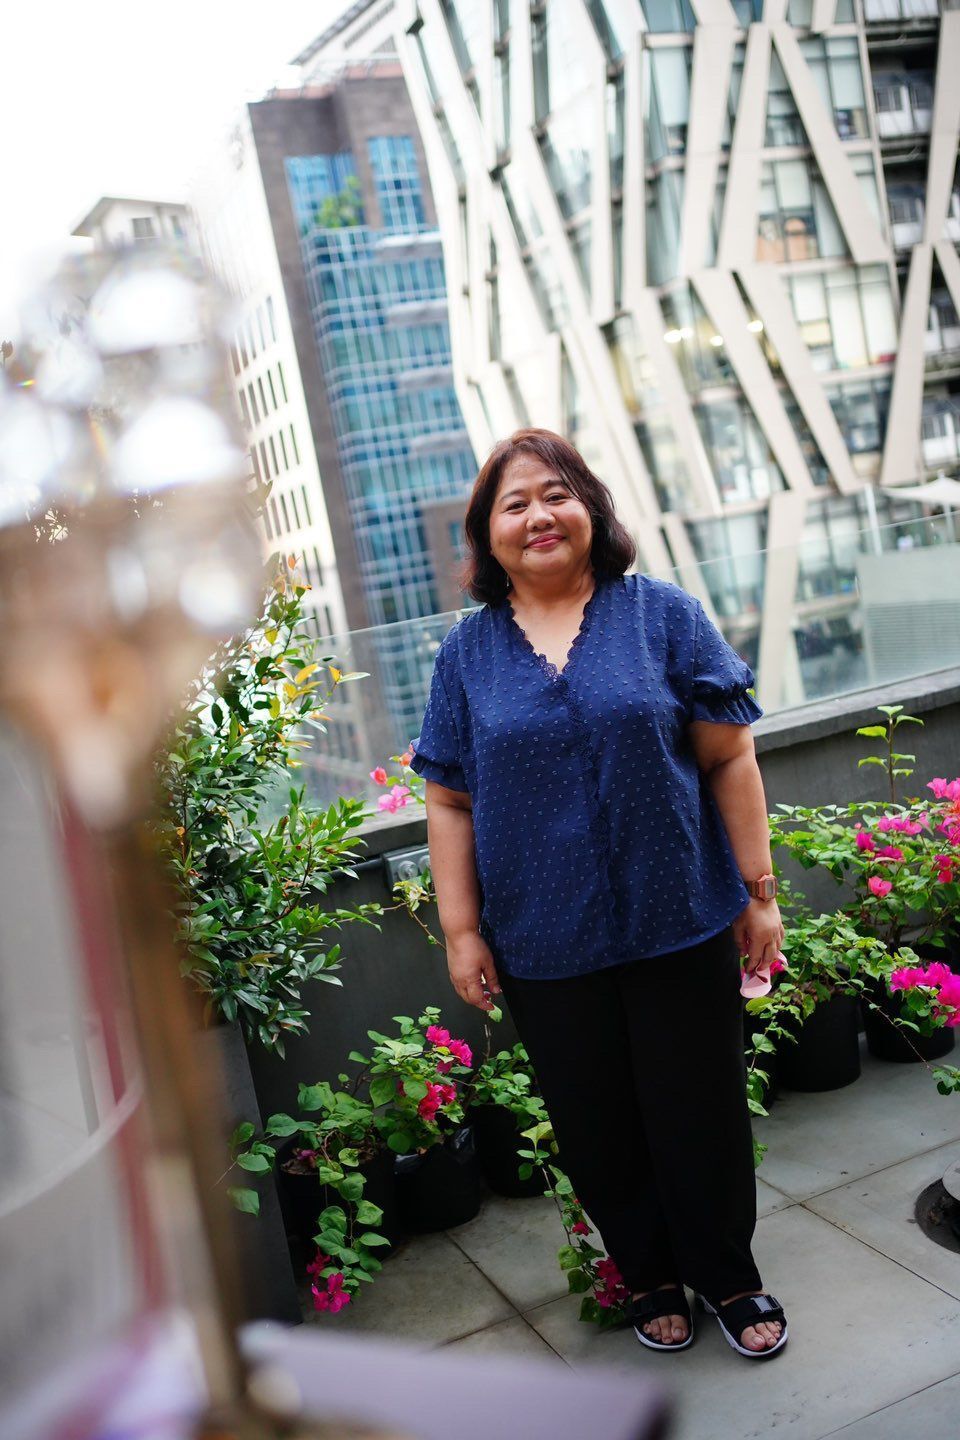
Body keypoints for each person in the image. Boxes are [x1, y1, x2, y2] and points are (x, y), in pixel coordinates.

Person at [409, 429, 788, 1361]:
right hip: (545, 938)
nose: (538, 515)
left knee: (697, 1106)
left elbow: (728, 753)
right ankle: (648, 1273)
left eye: (557, 494)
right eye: (514, 503)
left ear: (592, 510)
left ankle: (729, 1275)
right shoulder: (467, 658)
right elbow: (449, 802)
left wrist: (759, 892)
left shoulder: (662, 616)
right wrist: (461, 930)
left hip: (678, 918)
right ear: (487, 535)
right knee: (596, 1120)